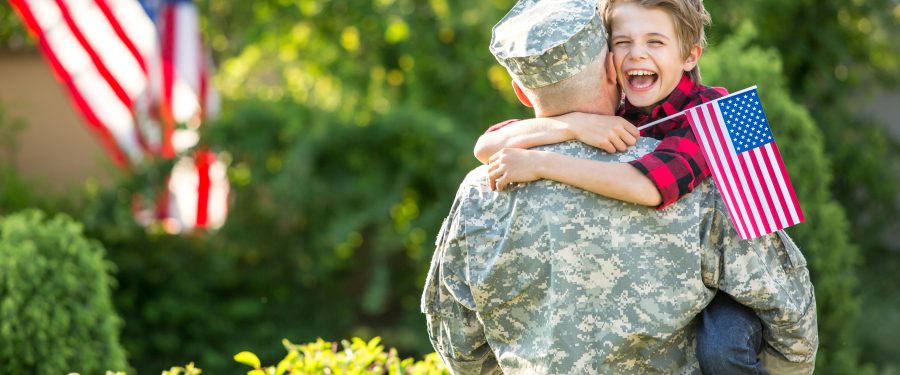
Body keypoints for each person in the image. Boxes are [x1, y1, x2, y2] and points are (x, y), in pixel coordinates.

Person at [421, 1, 817, 374]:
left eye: (655, 42)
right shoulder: (623, 110)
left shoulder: (713, 118)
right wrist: (574, 126)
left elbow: (650, 187)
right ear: (609, 65)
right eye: (622, 42)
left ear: (690, 55)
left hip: (727, 305)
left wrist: (542, 164)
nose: (636, 55)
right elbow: (486, 145)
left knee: (723, 347)